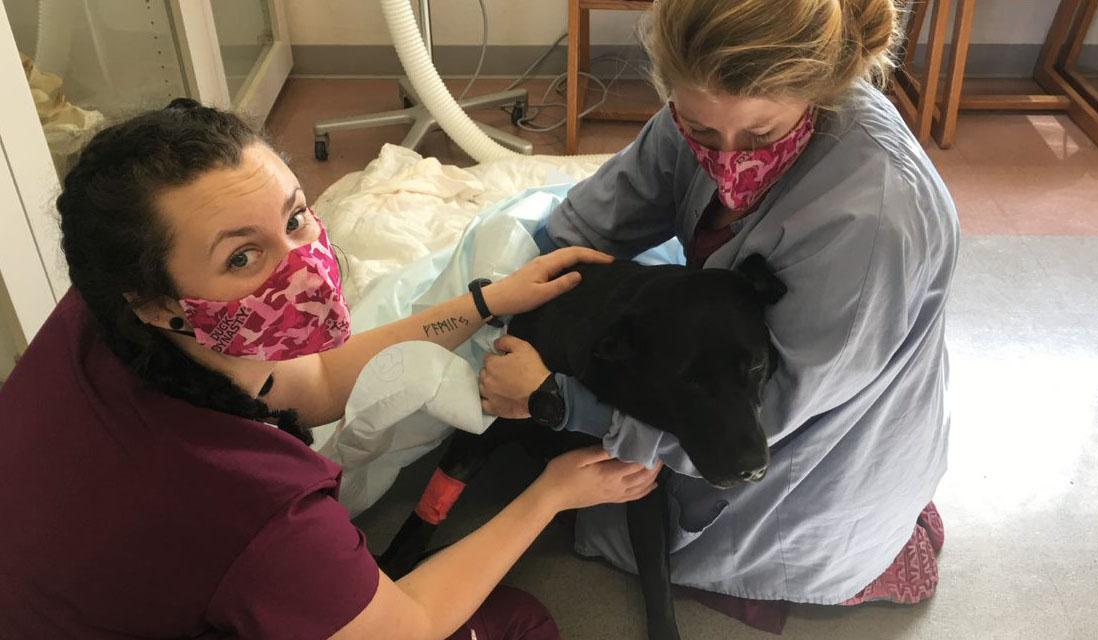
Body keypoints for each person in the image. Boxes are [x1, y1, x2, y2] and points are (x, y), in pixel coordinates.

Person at [0, 100, 661, 639]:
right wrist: (551, 495)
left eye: (295, 217)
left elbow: (314, 385)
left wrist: (486, 301)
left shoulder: (101, 314)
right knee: (516, 621)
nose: (305, 267)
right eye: (241, 258)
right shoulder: (253, 502)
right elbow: (409, 627)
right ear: (157, 304)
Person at [478, 0, 959, 627]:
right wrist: (514, 290)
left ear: (819, 92)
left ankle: (844, 553)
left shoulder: (874, 222)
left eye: (760, 137)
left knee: (606, 507)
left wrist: (559, 401)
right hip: (738, 370)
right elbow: (591, 221)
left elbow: (766, 413)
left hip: (806, 437)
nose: (729, 163)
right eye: (702, 133)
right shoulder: (702, 104)